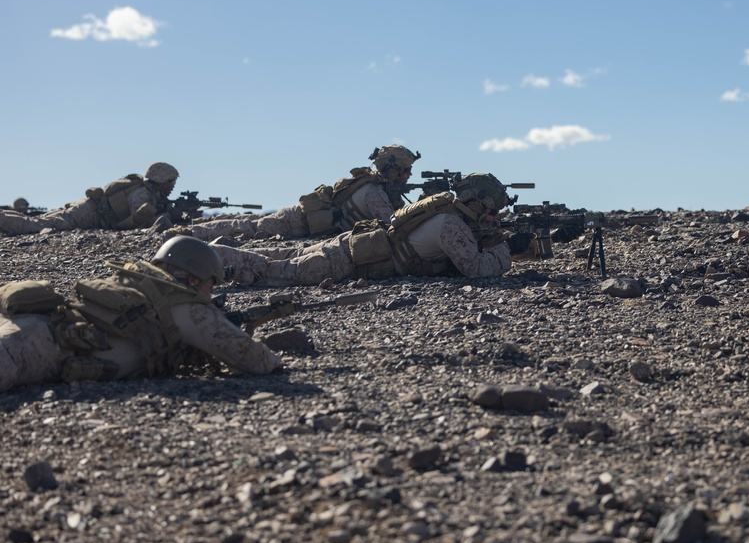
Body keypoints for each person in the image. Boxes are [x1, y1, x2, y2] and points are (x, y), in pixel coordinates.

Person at [0, 236, 281, 392]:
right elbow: (253, 359)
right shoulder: (186, 305)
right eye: (210, 286)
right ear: (195, 279)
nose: (210, 295)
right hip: (42, 347)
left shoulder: (139, 281)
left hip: (32, 324)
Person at [211, 173, 534, 287]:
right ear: (477, 204)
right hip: (344, 260)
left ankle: (212, 252)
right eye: (492, 211)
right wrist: (506, 249)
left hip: (349, 247)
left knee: (279, 256)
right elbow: (477, 270)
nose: (494, 218)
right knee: (272, 271)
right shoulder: (450, 224)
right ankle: (203, 260)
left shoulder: (449, 216)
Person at [176, 145, 421, 242]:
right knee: (251, 227)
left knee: (251, 223)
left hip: (306, 221)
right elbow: (394, 224)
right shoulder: (374, 191)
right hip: (299, 221)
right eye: (406, 170)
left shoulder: (380, 188)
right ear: (392, 169)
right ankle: (192, 231)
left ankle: (198, 227)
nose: (409, 175)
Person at [0, 162, 181, 237]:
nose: (172, 187)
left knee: (38, 221)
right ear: (162, 180)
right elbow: (139, 220)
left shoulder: (145, 190)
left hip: (88, 210)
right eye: (170, 182)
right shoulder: (143, 193)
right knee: (37, 226)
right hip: (88, 213)